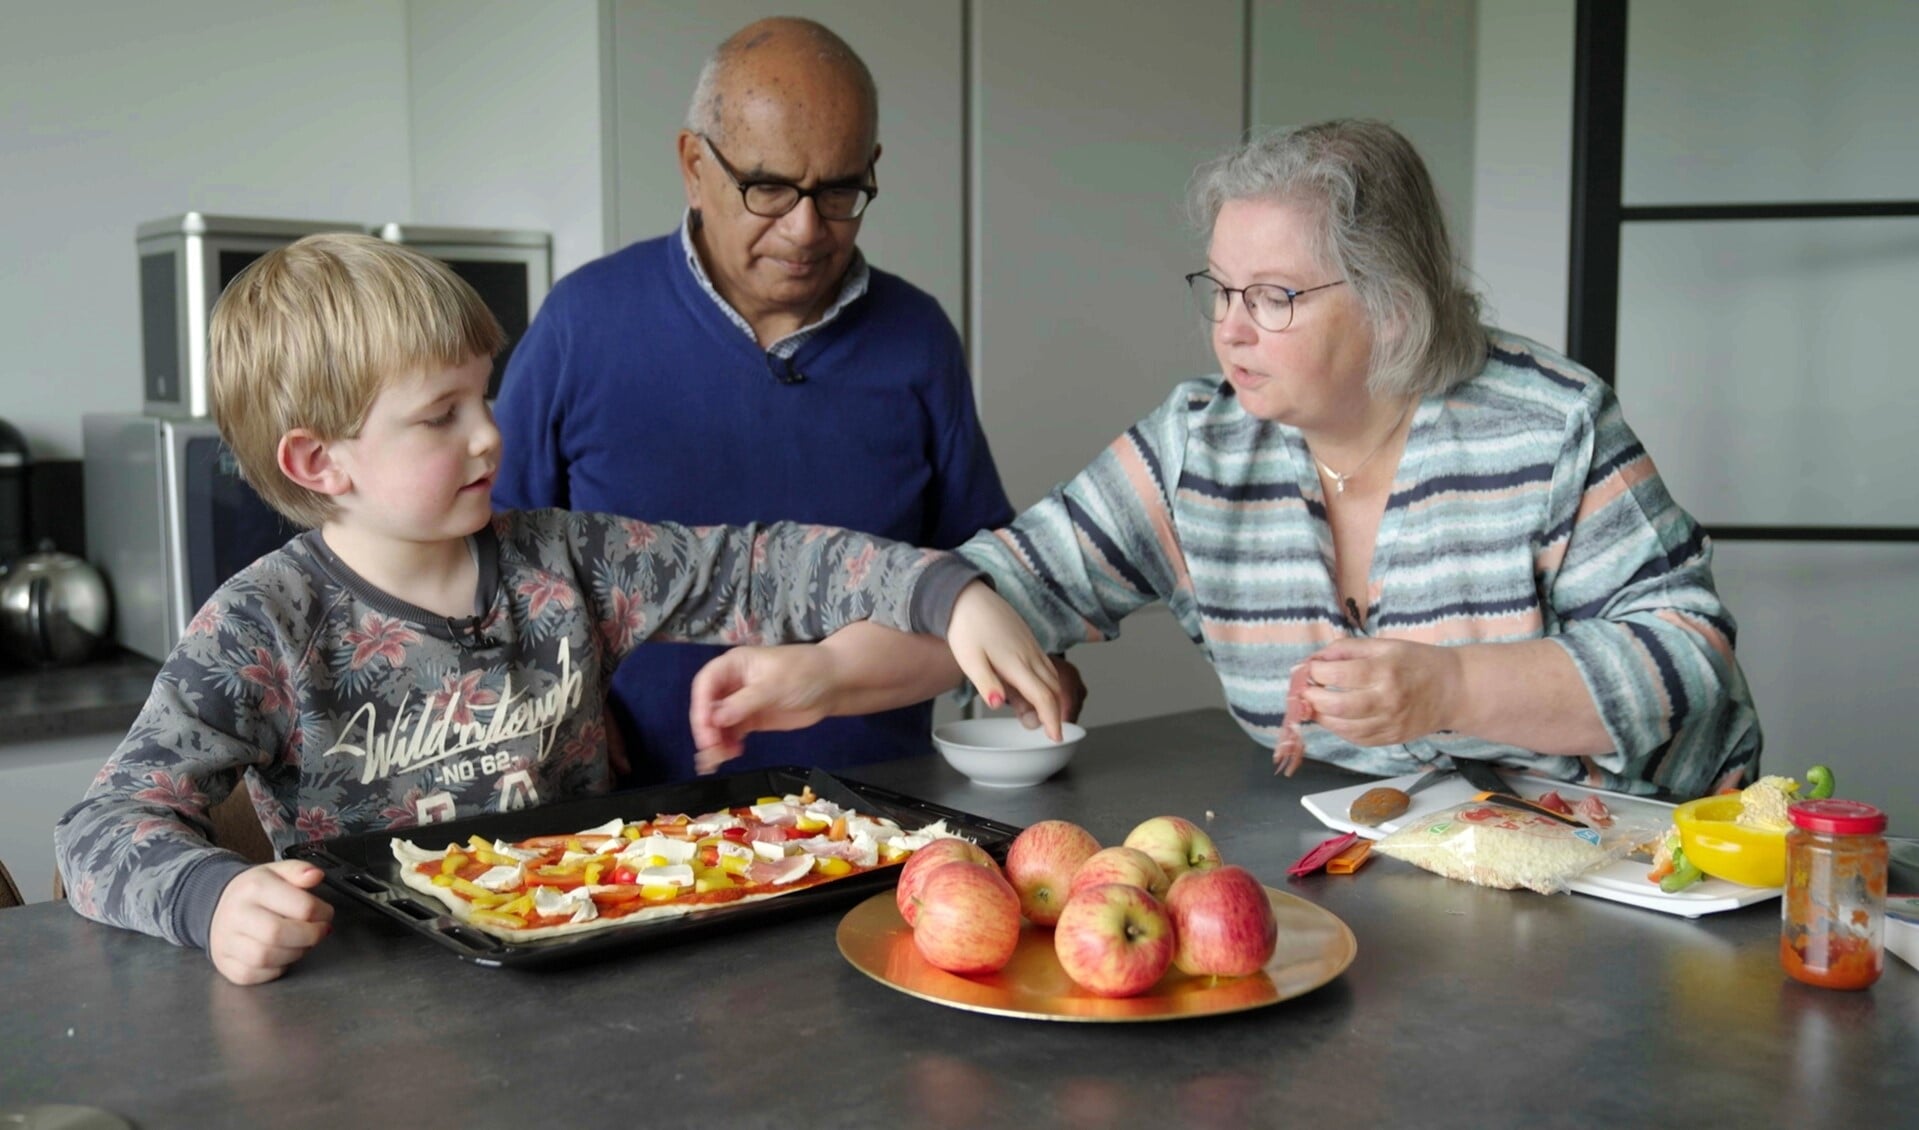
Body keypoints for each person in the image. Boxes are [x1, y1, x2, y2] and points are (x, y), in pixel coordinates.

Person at [53, 233, 1062, 986]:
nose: (490, 436)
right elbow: (100, 826)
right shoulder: (261, 625)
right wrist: (211, 896)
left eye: (483, 398)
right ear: (322, 461)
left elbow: (759, 565)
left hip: (596, 967)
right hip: (373, 1000)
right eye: (439, 416)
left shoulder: (565, 560)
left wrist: (944, 589)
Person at [692, 119, 1762, 799]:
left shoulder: (1544, 424)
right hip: (1391, 869)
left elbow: (1686, 660)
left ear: (1392, 303)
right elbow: (1007, 587)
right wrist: (818, 672)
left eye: (1274, 297)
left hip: (1631, 871)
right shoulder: (1202, 446)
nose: (1230, 331)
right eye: (1219, 290)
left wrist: (1446, 685)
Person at [491, 17, 1080, 784]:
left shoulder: (916, 336)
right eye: (768, 188)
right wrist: (558, 705)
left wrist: (1039, 663)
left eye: (838, 191)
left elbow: (983, 565)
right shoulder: (583, 322)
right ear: (693, 165)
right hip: (634, 823)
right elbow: (488, 565)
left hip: (879, 812)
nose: (805, 230)